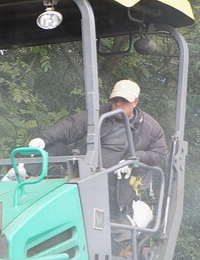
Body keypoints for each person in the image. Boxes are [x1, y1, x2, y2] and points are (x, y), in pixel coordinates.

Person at [27, 79, 168, 210]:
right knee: (53, 148)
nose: (118, 104)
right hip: (83, 169)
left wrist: (132, 159)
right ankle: (20, 176)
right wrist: (42, 139)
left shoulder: (150, 127)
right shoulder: (97, 114)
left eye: (124, 100)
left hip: (117, 179)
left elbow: (159, 152)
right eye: (115, 99)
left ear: (136, 102)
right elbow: (70, 126)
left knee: (111, 183)